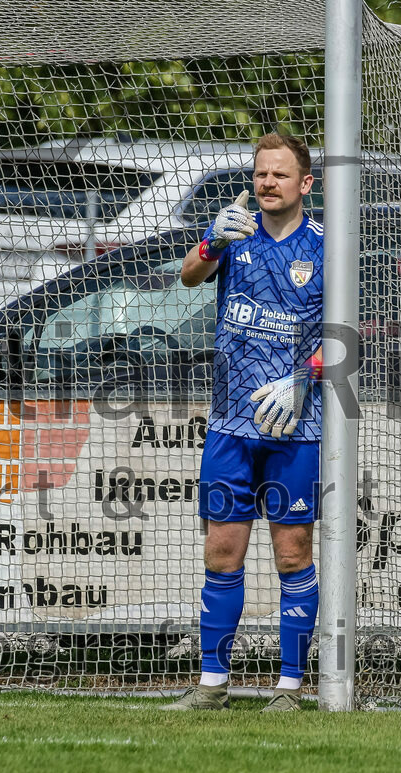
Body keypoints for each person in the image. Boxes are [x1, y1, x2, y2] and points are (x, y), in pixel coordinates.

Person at [164, 133, 323, 713]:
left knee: (292, 555)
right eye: (261, 174)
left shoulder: (326, 247)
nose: (268, 184)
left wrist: (305, 376)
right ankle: (211, 685)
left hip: (295, 430)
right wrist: (209, 239)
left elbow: (349, 339)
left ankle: (289, 687)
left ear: (304, 184)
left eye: (280, 175)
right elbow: (188, 277)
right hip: (231, 425)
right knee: (222, 553)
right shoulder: (235, 234)